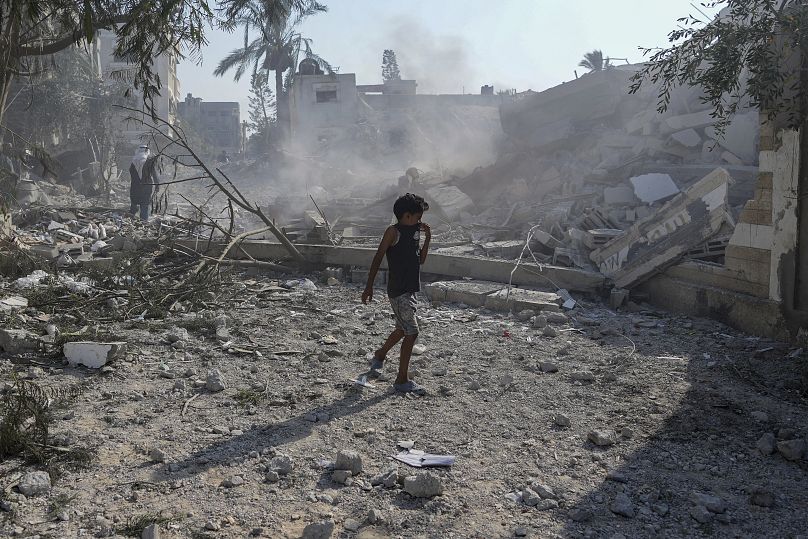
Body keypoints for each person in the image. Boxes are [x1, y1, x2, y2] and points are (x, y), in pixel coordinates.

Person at [361, 193, 431, 394]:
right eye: (418, 216)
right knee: (412, 332)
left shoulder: (415, 230)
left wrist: (427, 239)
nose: (420, 220)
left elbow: (421, 260)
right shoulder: (393, 232)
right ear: (407, 215)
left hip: (410, 289)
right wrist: (369, 286)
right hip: (399, 290)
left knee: (402, 329)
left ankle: (380, 355)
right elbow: (377, 257)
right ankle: (401, 380)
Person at [129, 145, 158, 220]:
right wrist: (157, 185)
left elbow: (132, 174)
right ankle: (144, 223)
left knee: (133, 206)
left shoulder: (133, 161)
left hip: (135, 188)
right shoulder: (149, 161)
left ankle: (130, 220)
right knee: (144, 207)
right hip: (146, 188)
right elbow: (154, 174)